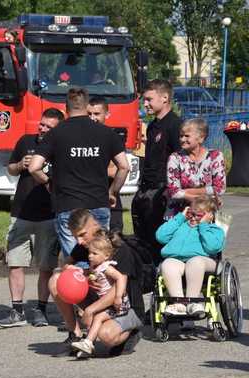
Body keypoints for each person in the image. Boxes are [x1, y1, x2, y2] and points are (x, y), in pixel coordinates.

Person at [29, 87, 130, 257]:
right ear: (86, 106)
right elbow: (124, 166)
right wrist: (112, 191)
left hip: (68, 206)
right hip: (99, 203)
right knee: (99, 259)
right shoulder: (106, 133)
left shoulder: (56, 133)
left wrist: (48, 183)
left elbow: (34, 167)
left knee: (76, 261)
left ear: (66, 108)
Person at [0, 108, 64, 328]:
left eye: (48, 126)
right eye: (42, 124)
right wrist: (20, 165)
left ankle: (41, 310)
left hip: (48, 215)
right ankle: (17, 311)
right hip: (21, 213)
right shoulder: (26, 141)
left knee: (46, 266)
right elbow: (11, 169)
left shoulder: (61, 147)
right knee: (15, 263)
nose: (42, 128)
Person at [48, 209, 143, 357]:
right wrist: (74, 271)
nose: (79, 241)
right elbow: (65, 265)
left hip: (124, 305)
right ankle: (76, 335)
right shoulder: (85, 245)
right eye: (75, 237)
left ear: (94, 225)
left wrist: (90, 310)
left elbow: (119, 288)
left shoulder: (117, 246)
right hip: (102, 302)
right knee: (56, 280)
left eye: (82, 234)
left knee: (105, 335)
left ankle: (131, 331)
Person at [131, 79, 182, 259]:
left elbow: (180, 160)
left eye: (149, 99)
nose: (145, 104)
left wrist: (171, 191)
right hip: (147, 189)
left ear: (165, 98)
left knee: (159, 238)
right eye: (144, 100)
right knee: (143, 238)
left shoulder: (175, 125)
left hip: (163, 191)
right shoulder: (153, 125)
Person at [156, 195, 225, 316]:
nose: (193, 218)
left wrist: (203, 225)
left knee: (195, 262)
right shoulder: (181, 225)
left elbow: (212, 247)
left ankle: (193, 302)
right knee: (167, 264)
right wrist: (180, 217)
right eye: (191, 214)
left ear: (209, 216)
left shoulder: (214, 229)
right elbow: (160, 236)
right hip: (179, 261)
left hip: (206, 262)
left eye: (199, 215)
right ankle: (179, 304)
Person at [70, 234, 129, 358]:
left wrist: (118, 296)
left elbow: (121, 278)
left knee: (97, 317)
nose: (90, 256)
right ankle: (88, 343)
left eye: (94, 253)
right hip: (107, 303)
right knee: (93, 318)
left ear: (106, 256)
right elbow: (88, 273)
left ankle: (88, 343)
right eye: (90, 253)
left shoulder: (106, 267)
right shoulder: (95, 266)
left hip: (117, 305)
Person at [165, 118, 226, 219]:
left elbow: (220, 189)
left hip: (207, 214)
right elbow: (173, 192)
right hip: (179, 214)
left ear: (201, 138)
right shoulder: (175, 158)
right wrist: (204, 197)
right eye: (181, 136)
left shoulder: (216, 156)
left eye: (187, 136)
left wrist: (185, 191)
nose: (182, 139)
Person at [87, 96, 123, 232]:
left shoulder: (111, 138)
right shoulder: (80, 137)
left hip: (108, 198)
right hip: (86, 200)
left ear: (107, 115)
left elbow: (118, 170)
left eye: (96, 114)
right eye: (89, 114)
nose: (92, 118)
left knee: (112, 240)